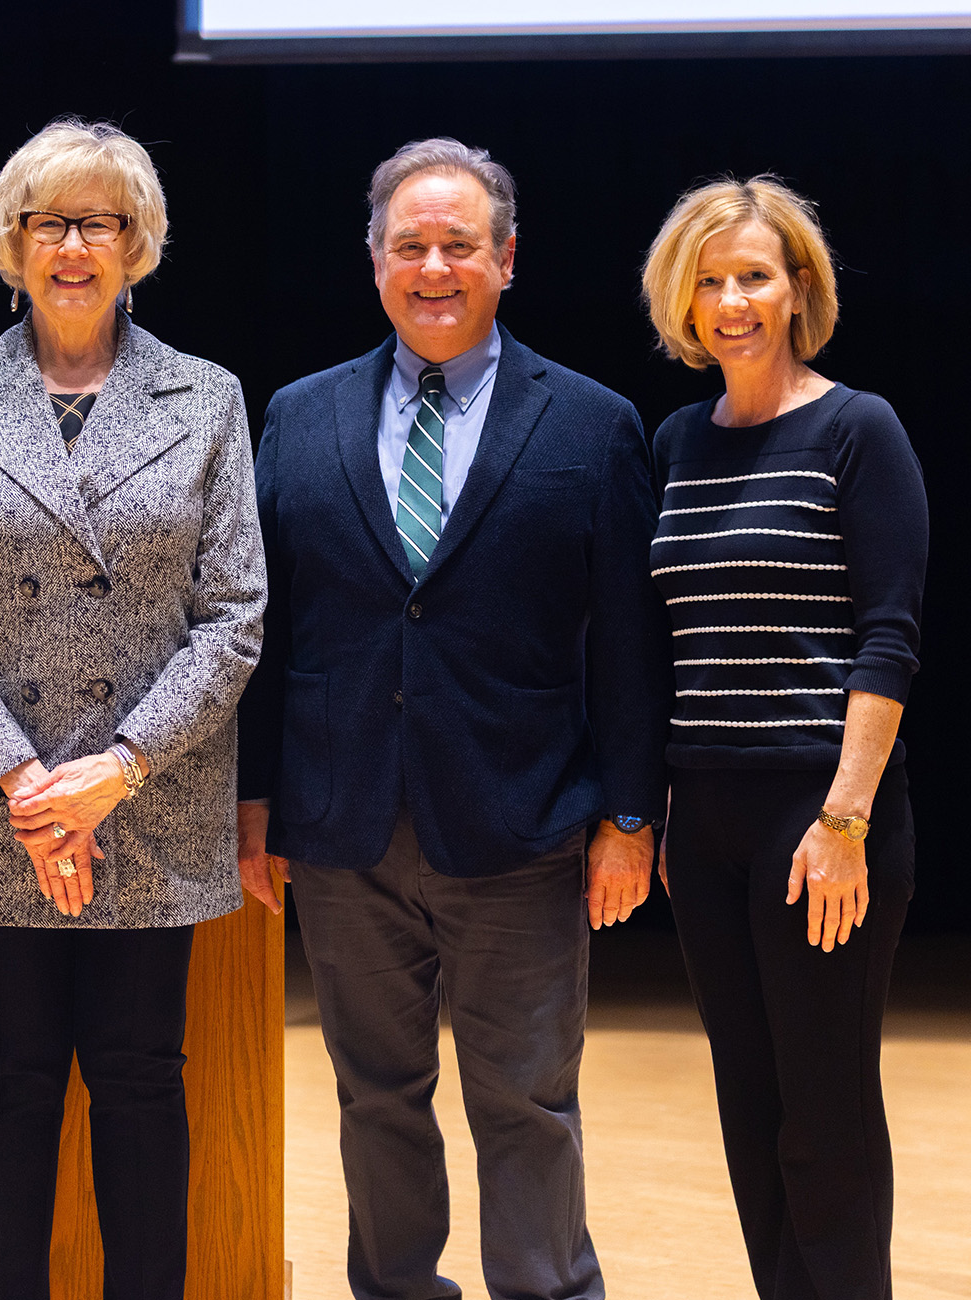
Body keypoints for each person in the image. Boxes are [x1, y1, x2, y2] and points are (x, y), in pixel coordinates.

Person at [238, 137, 671, 1300]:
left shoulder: (591, 423)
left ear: (507, 259)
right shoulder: (297, 415)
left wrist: (630, 814)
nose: (435, 267)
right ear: (374, 260)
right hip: (341, 828)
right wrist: (255, 802)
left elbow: (631, 643)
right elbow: (270, 631)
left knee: (525, 1099)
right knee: (374, 1094)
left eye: (459, 245)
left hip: (521, 825)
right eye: (410, 245)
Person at [0, 117, 265, 1300]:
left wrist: (118, 769)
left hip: (149, 797)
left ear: (137, 244)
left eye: (99, 222)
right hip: (3, 803)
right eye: (48, 220)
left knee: (144, 1076)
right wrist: (29, 785)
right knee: (7, 1077)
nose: (72, 245)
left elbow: (235, 612)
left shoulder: (205, 397)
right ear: (10, 241)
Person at [639, 176, 926, 1300]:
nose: (731, 301)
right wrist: (659, 816)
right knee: (748, 1111)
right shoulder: (674, 440)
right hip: (704, 822)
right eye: (708, 281)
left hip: (822, 817)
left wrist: (845, 819)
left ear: (798, 287)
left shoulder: (858, 428)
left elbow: (889, 640)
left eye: (753, 275)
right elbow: (662, 647)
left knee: (824, 1112)